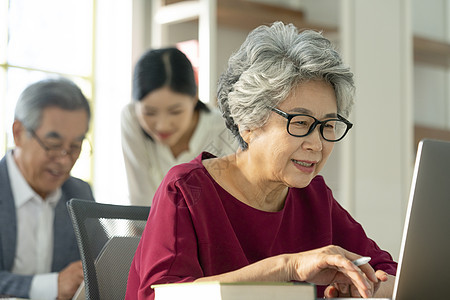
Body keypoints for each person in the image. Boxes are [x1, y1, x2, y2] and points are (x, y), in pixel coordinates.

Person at [125, 22, 397, 299]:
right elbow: (161, 295)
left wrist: (363, 287)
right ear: (249, 124)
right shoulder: (185, 189)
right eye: (300, 122)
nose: (317, 144)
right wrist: (287, 267)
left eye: (328, 126)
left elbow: (392, 274)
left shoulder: (314, 196)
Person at [0, 78, 94, 299]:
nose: (63, 160)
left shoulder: (80, 195)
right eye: (52, 146)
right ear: (18, 133)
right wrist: (53, 286)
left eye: (75, 147)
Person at [121, 47, 238, 206]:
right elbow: (141, 201)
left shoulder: (225, 130)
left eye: (175, 111)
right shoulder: (131, 118)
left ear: (194, 98)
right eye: (150, 113)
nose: (162, 126)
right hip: (150, 229)